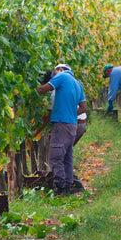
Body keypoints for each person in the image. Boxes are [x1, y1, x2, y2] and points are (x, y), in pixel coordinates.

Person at [36, 63, 87, 196]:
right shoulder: (77, 83)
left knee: (55, 157)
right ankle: (68, 186)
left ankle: (60, 187)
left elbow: (44, 89)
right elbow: (83, 107)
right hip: (72, 125)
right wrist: (70, 113)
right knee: (67, 157)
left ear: (59, 70)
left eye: (54, 72)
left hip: (61, 123)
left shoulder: (62, 76)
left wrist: (28, 93)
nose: (54, 76)